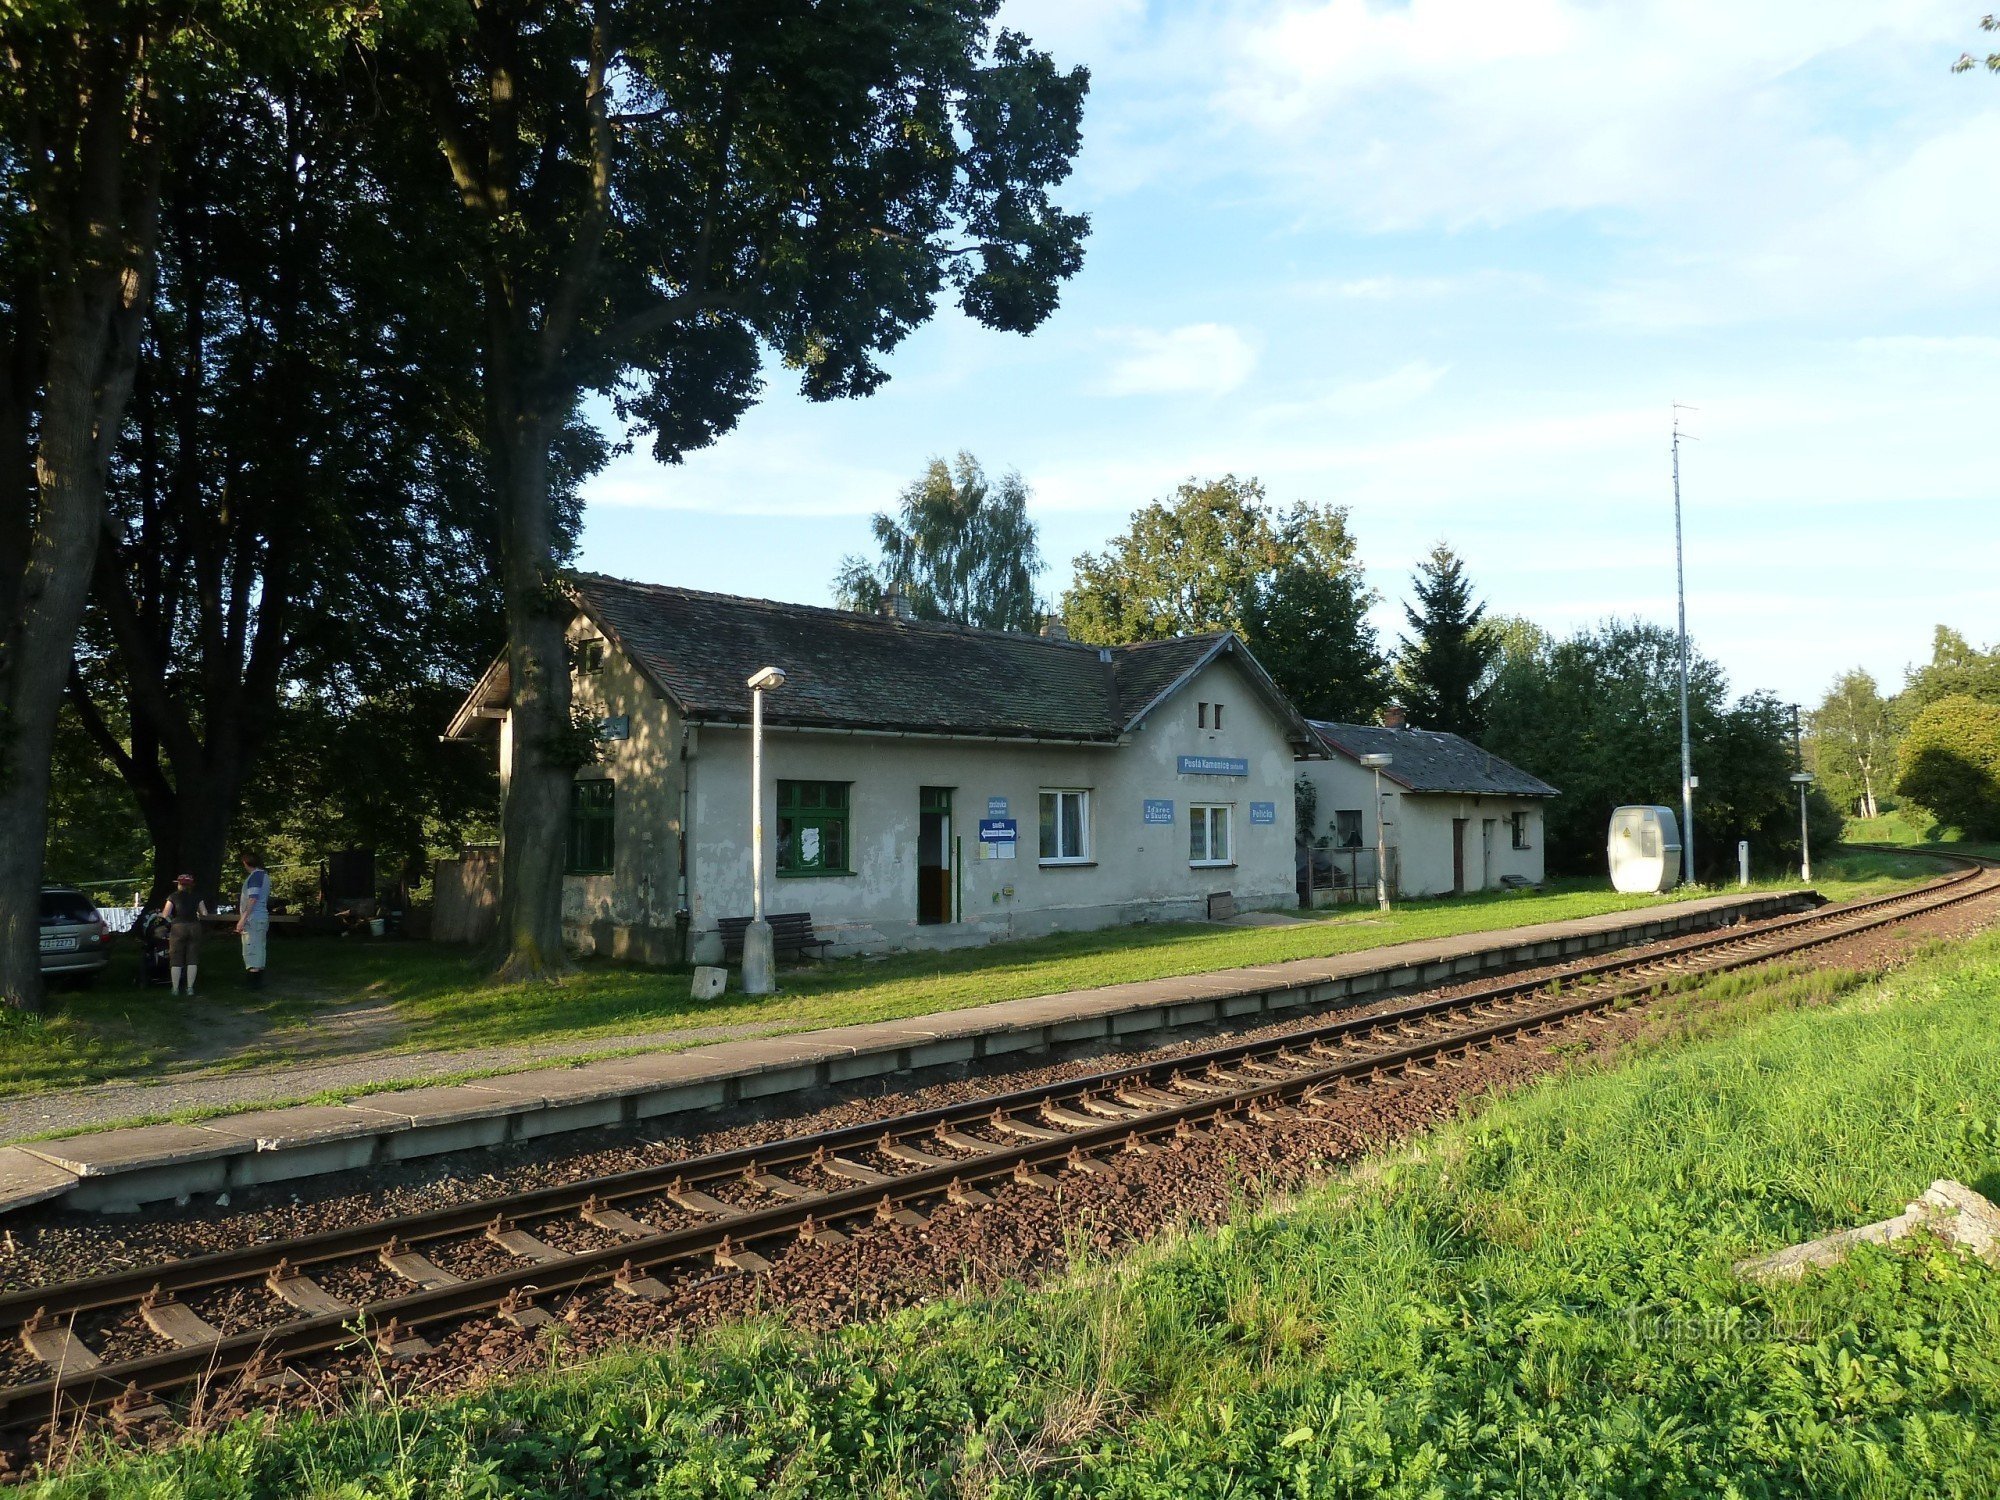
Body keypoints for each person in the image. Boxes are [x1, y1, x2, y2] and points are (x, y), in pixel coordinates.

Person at [161, 874, 210, 996]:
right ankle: (190, 988)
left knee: (176, 957)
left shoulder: (173, 896)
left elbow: (165, 913)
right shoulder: (197, 896)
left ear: (179, 884)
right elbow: (204, 912)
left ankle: (175, 988)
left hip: (178, 927)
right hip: (194, 927)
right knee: (192, 958)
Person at [235, 852, 272, 989]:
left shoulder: (256, 876)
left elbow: (252, 898)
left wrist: (242, 919)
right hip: (260, 917)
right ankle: (258, 982)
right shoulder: (264, 875)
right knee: (259, 949)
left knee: (252, 950)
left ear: (246, 863)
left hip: (253, 918)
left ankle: (253, 984)